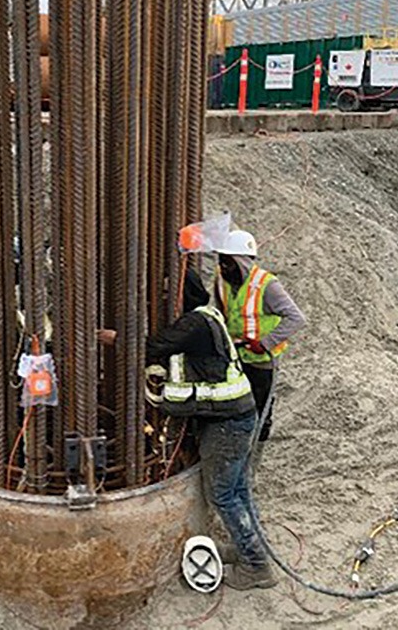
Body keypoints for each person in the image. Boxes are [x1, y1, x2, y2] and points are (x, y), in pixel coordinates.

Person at [98, 268, 277, 590]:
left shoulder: (194, 324)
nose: (163, 297)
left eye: (169, 291)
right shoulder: (207, 316)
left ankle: (256, 567)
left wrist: (115, 339)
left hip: (228, 425)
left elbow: (153, 347)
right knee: (237, 491)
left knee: (223, 495)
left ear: (184, 293)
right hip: (236, 417)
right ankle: (249, 549)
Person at [213, 230, 305, 443]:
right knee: (235, 406)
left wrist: (265, 343)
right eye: (221, 260)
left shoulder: (266, 285)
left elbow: (296, 318)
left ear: (241, 261)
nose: (223, 267)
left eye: (228, 262)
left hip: (260, 361)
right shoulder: (223, 280)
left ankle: (255, 447)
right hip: (235, 357)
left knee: (259, 410)